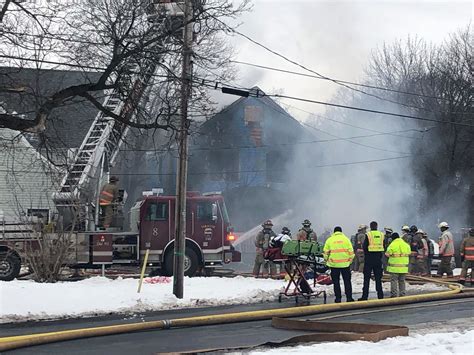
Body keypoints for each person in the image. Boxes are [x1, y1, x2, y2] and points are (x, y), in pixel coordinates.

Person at [323, 226, 355, 303]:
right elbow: (351, 252)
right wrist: (349, 261)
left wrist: (326, 261)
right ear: (341, 231)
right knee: (347, 281)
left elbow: (325, 252)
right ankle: (349, 298)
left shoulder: (329, 240)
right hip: (345, 265)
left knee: (336, 282)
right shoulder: (346, 239)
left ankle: (338, 298)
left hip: (334, 265)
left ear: (334, 232)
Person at [359, 221, 385, 301]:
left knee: (366, 278)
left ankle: (365, 296)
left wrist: (367, 254)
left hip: (369, 259)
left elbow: (365, 247)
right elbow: (383, 246)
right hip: (378, 259)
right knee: (378, 278)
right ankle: (380, 295)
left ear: (370, 226)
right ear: (377, 226)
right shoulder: (381, 235)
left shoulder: (368, 235)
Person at [385, 232, 411, 297]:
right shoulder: (406, 244)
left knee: (394, 281)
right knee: (402, 281)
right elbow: (409, 252)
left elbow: (387, 254)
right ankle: (402, 294)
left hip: (394, 267)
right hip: (404, 267)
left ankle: (394, 294)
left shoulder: (392, 245)